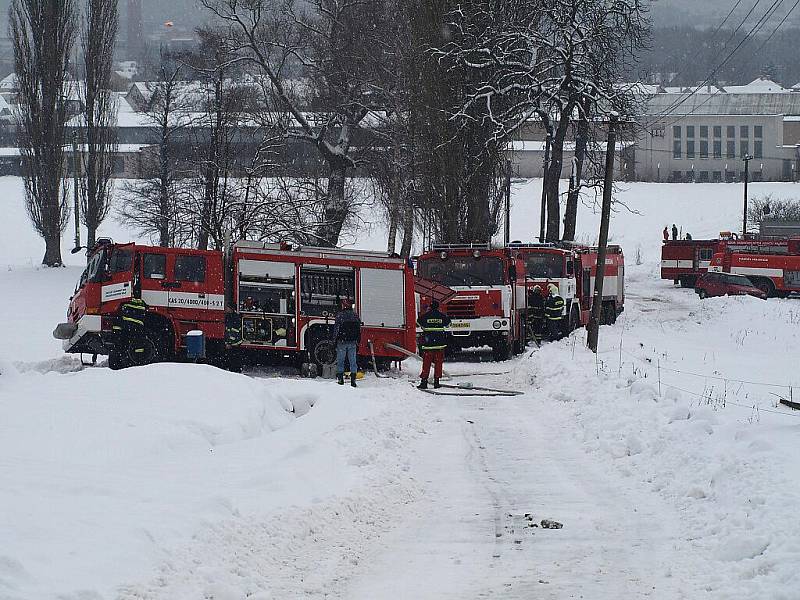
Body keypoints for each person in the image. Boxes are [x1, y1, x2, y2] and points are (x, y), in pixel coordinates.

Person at [417, 299, 451, 389]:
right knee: (438, 364)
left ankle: (424, 382)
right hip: (439, 345)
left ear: (430, 307)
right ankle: (437, 382)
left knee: (426, 364)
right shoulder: (442, 316)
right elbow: (448, 324)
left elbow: (418, 321)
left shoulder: (425, 316)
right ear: (438, 307)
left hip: (428, 345)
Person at [333, 298, 361, 387]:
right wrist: (358, 341)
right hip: (352, 342)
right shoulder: (355, 316)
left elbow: (336, 330)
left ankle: (340, 379)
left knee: (341, 361)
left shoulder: (339, 316)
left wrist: (334, 340)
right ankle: (353, 380)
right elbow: (359, 330)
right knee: (353, 361)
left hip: (342, 342)